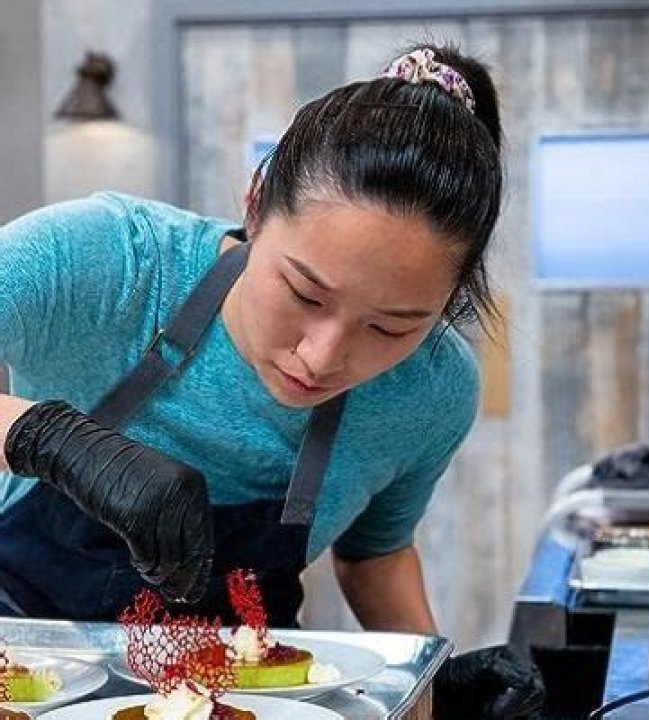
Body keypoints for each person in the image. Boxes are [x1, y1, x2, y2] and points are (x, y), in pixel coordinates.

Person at [0, 43, 543, 717]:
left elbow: (374, 556)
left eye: (390, 328)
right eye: (305, 294)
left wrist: (426, 680)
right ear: (256, 202)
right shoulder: (110, 260)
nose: (321, 357)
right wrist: (48, 438)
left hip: (247, 697)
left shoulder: (432, 391)